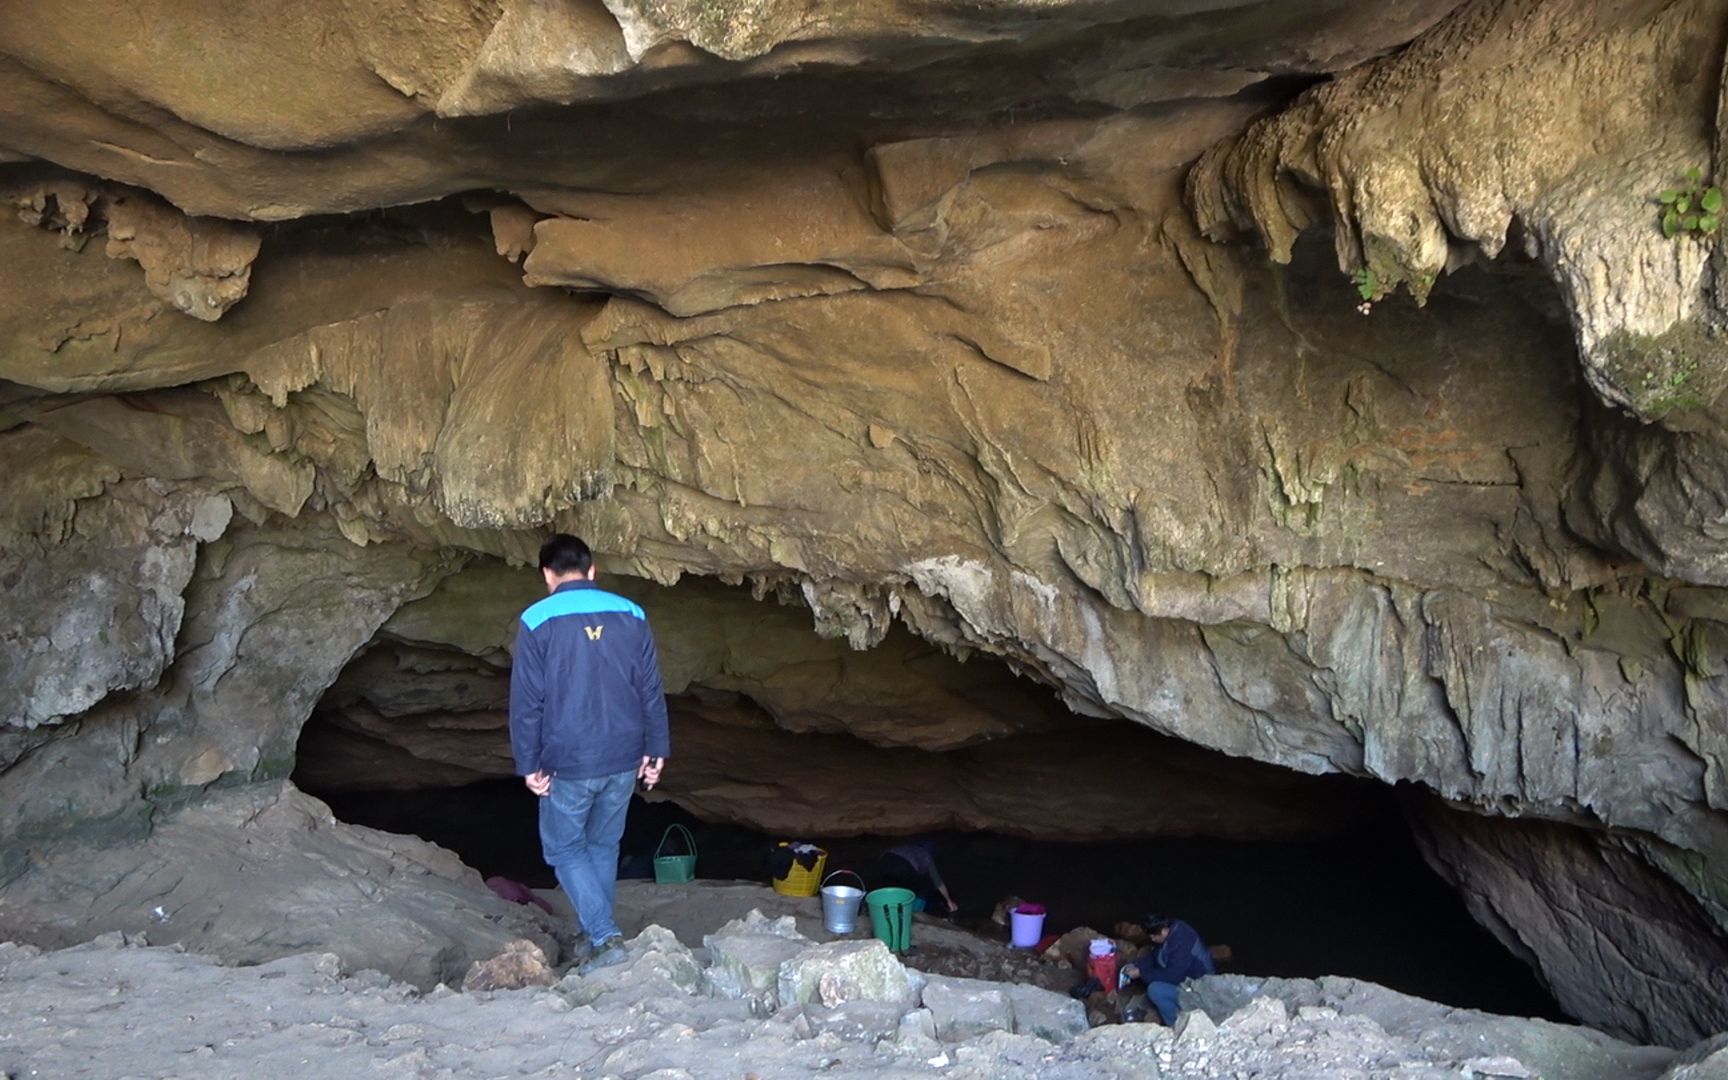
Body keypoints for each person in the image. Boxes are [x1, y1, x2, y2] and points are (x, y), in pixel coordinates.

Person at [509, 534, 670, 973]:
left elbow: (528, 701)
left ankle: (603, 936)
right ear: (592, 569)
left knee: (564, 849)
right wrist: (656, 749)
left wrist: (528, 764)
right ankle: (592, 934)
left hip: (567, 760)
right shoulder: (631, 614)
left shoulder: (536, 619)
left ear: (548, 574)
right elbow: (650, 690)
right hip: (624, 755)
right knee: (602, 844)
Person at [1121, 913, 1215, 1024]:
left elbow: (1173, 976)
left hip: (1200, 989)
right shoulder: (1170, 930)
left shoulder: (1182, 940)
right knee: (1154, 977)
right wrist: (1137, 965)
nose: (1152, 939)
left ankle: (1175, 1024)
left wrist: (1141, 973)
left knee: (1155, 990)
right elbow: (1155, 955)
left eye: (1153, 936)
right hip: (1186, 979)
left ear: (1162, 931)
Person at [876, 838, 956, 917]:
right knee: (925, 883)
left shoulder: (909, 848)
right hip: (903, 866)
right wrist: (948, 900)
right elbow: (938, 881)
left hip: (884, 861)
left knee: (896, 883)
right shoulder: (926, 855)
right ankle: (916, 911)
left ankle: (884, 905)